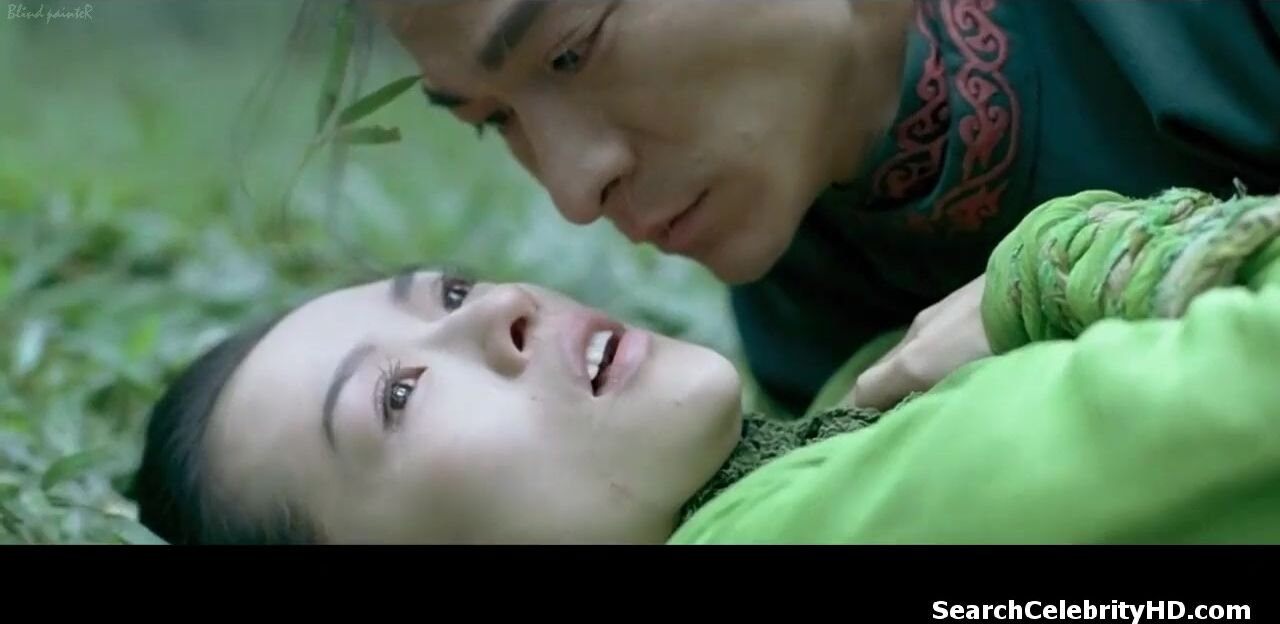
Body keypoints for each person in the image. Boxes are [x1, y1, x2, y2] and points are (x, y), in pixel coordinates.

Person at [130, 187, 1280, 544]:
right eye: (396, 396)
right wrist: (1063, 263)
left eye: (452, 294)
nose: (506, 310)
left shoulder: (826, 421)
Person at [359, 0, 1280, 415]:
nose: (571, 190)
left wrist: (1060, 284)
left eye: (571, 51)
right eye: (494, 120)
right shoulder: (801, 298)